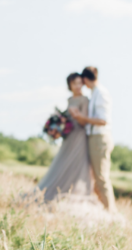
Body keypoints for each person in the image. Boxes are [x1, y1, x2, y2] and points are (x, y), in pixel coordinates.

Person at [36, 73, 91, 201]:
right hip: (69, 137)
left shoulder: (85, 100)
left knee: (76, 166)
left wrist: (76, 115)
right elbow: (66, 121)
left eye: (79, 83)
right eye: (74, 84)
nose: (78, 86)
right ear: (70, 85)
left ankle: (72, 194)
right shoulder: (70, 100)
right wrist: (57, 129)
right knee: (61, 164)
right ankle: (56, 193)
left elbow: (84, 122)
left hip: (79, 137)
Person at [69, 66, 116, 212]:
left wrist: (82, 118)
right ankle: (105, 209)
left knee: (101, 178)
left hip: (99, 138)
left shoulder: (101, 93)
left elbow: (103, 120)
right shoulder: (95, 93)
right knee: (96, 179)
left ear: (85, 79)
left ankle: (111, 211)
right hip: (94, 138)